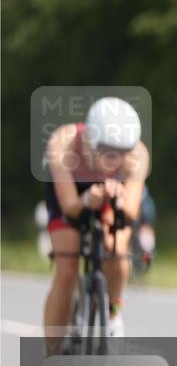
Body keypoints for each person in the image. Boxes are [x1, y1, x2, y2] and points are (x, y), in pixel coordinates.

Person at [43, 96, 150, 352]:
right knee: (67, 269)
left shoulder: (138, 153)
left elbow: (131, 210)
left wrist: (118, 199)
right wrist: (86, 200)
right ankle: (52, 351)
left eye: (124, 152)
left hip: (113, 195)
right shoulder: (63, 143)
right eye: (109, 151)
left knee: (118, 252)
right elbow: (70, 206)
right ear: (91, 140)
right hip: (72, 193)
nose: (117, 159)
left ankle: (112, 315)